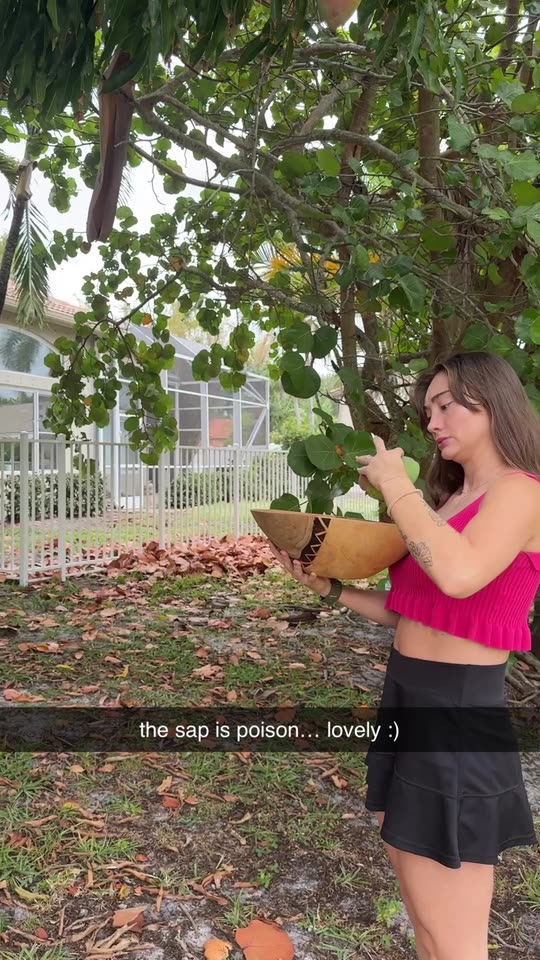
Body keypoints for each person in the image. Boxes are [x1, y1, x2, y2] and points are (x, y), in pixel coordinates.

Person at [268, 351, 540, 960]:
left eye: (446, 405)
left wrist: (396, 486)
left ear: (493, 403)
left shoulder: (522, 492)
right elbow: (412, 610)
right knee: (424, 917)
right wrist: (332, 590)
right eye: (428, 410)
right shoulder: (451, 503)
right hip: (407, 699)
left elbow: (459, 575)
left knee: (455, 938)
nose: (433, 422)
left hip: (458, 714)